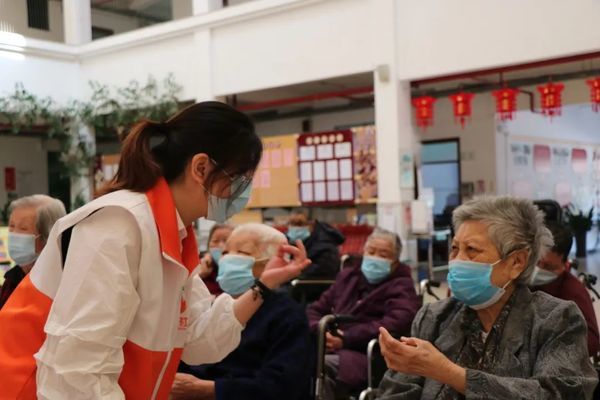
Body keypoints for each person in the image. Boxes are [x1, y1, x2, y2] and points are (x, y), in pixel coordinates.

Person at [0, 102, 311, 399]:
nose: (243, 192)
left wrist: (263, 285)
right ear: (201, 168)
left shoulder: (175, 234)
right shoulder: (119, 224)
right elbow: (76, 372)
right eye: (238, 179)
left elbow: (200, 339)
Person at [377, 196, 598, 399]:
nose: (458, 260)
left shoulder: (555, 320)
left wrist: (448, 373)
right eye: (454, 249)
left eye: (471, 250)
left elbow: (556, 395)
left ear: (516, 263)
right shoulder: (434, 318)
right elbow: (397, 391)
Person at [172, 223, 311, 400]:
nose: (228, 259)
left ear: (271, 263)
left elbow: (282, 385)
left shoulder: (287, 316)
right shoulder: (214, 305)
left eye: (242, 253)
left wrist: (209, 389)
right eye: (225, 252)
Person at [307, 227, 420, 398]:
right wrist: (321, 332)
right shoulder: (348, 277)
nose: (375, 258)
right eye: (371, 251)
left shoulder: (402, 286)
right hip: (329, 345)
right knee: (292, 359)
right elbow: (316, 309)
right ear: (363, 252)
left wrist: (345, 338)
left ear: (395, 262)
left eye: (383, 255)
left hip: (368, 354)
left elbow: (395, 323)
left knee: (319, 365)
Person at [530, 222, 600, 357]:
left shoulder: (572, 291)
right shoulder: (521, 280)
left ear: (564, 263)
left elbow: (592, 342)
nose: (538, 270)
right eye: (536, 262)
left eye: (548, 267)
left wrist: (551, 346)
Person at [0, 195, 66, 310]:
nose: (14, 233)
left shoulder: (59, 285)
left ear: (47, 236)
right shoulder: (12, 280)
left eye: (23, 228)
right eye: (11, 226)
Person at [287, 211, 345, 280]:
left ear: (312, 224)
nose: (295, 228)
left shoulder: (326, 247)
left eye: (300, 224)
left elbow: (320, 274)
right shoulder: (289, 242)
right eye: (292, 224)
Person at [199, 223, 234, 295]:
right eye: (215, 241)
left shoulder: (243, 268)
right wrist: (200, 275)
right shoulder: (200, 265)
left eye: (226, 240)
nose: (220, 246)